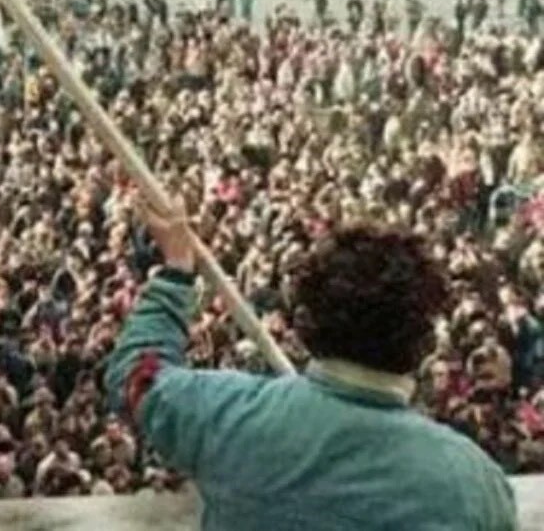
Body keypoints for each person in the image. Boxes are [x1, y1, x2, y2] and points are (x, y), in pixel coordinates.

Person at [107, 212, 518, 530]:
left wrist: (177, 271)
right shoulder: (475, 484)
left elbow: (135, 374)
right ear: (425, 342)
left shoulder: (227, 415)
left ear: (305, 324)